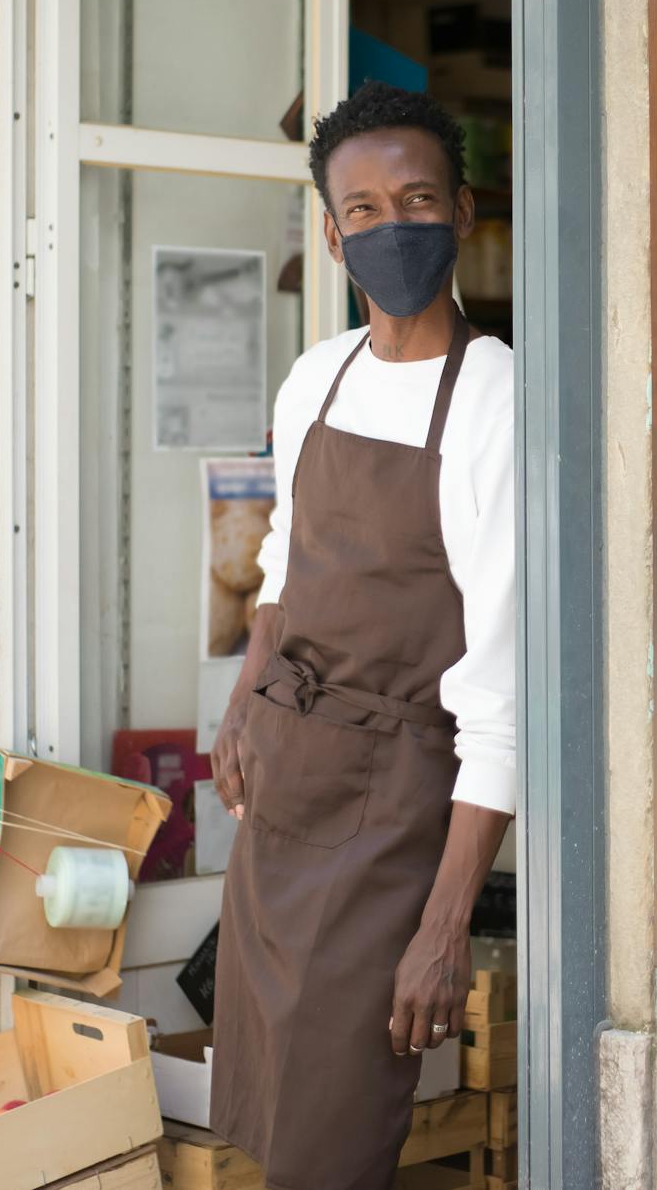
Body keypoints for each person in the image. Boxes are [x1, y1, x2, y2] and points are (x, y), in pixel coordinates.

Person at [208, 82, 516, 1190]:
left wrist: (445, 928)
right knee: (266, 1109)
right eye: (367, 209)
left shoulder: (494, 401)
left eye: (418, 198)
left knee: (338, 1131)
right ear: (333, 236)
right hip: (287, 788)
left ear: (465, 211)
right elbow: (285, 562)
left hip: (394, 803)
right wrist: (244, 698)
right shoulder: (315, 377)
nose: (395, 227)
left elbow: (501, 694)